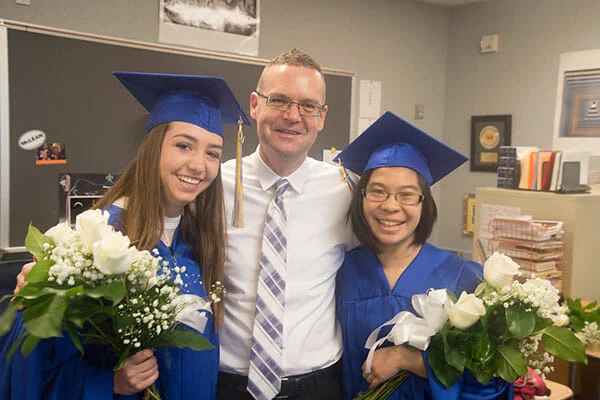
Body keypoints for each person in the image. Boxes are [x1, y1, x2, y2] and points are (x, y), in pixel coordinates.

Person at [0, 71, 249, 399]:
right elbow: (28, 371)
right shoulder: (96, 243)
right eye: (184, 145)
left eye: (213, 152)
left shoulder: (198, 241)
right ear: (153, 148)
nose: (199, 165)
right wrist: (109, 383)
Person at [335, 111, 513, 399]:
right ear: (362, 198)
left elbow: (492, 380)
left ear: (423, 203)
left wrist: (411, 360)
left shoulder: (463, 278)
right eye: (378, 192)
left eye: (406, 194)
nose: (391, 206)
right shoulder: (342, 272)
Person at [217, 49, 356, 399]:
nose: (293, 116)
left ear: (322, 116)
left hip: (319, 386)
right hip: (227, 385)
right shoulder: (212, 187)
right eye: (278, 100)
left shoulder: (348, 191)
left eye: (308, 106)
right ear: (254, 104)